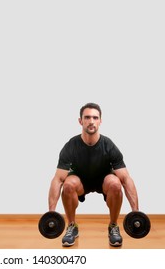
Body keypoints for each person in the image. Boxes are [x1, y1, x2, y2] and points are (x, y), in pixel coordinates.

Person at [48, 102, 139, 247]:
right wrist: (51, 213)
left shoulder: (109, 145)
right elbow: (58, 179)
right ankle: (72, 226)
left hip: (104, 182)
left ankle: (113, 226)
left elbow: (126, 179)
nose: (91, 121)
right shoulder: (71, 146)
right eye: (87, 117)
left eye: (95, 118)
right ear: (80, 121)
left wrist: (136, 212)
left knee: (115, 183)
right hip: (80, 183)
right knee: (68, 184)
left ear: (100, 121)